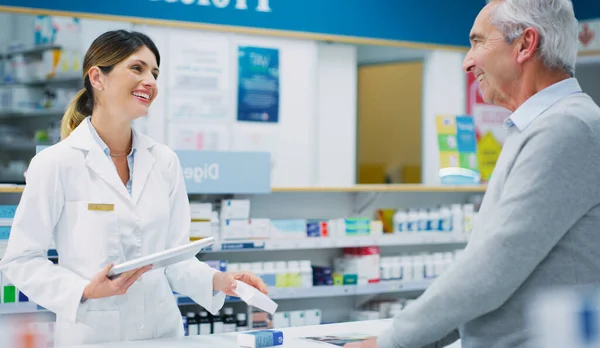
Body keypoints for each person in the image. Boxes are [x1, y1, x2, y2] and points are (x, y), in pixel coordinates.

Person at [346, 0, 600, 347]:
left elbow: (494, 268)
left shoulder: (567, 128)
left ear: (525, 44)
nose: (468, 61)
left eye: (478, 42)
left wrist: (393, 341)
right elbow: (491, 273)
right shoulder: (536, 128)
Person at [0, 30, 267, 346]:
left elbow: (174, 258)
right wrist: (83, 290)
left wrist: (219, 280)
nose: (151, 81)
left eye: (154, 73)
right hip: (94, 336)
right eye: (137, 68)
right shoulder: (56, 163)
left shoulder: (164, 161)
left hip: (162, 334)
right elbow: (21, 260)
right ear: (98, 77)